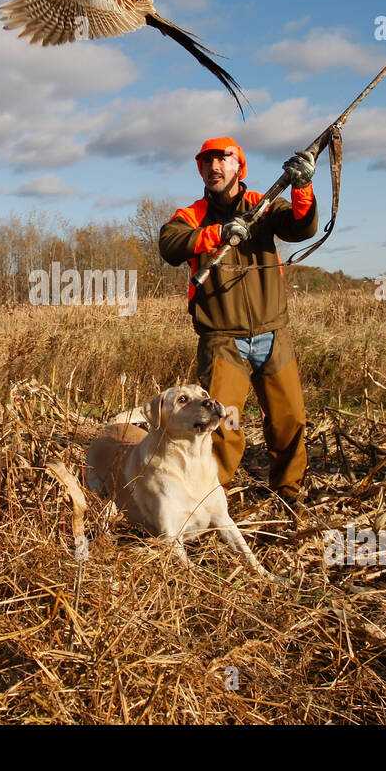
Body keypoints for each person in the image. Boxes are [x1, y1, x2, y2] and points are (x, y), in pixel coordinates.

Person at [158, 138, 318, 501]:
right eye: (207, 162)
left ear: (238, 167)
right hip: (222, 340)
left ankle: (288, 492)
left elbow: (300, 227)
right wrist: (218, 233)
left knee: (289, 420)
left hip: (273, 333)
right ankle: (212, 500)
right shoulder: (192, 216)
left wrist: (303, 186)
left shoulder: (263, 206)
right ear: (200, 170)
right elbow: (170, 244)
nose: (214, 168)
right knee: (223, 426)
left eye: (223, 160)